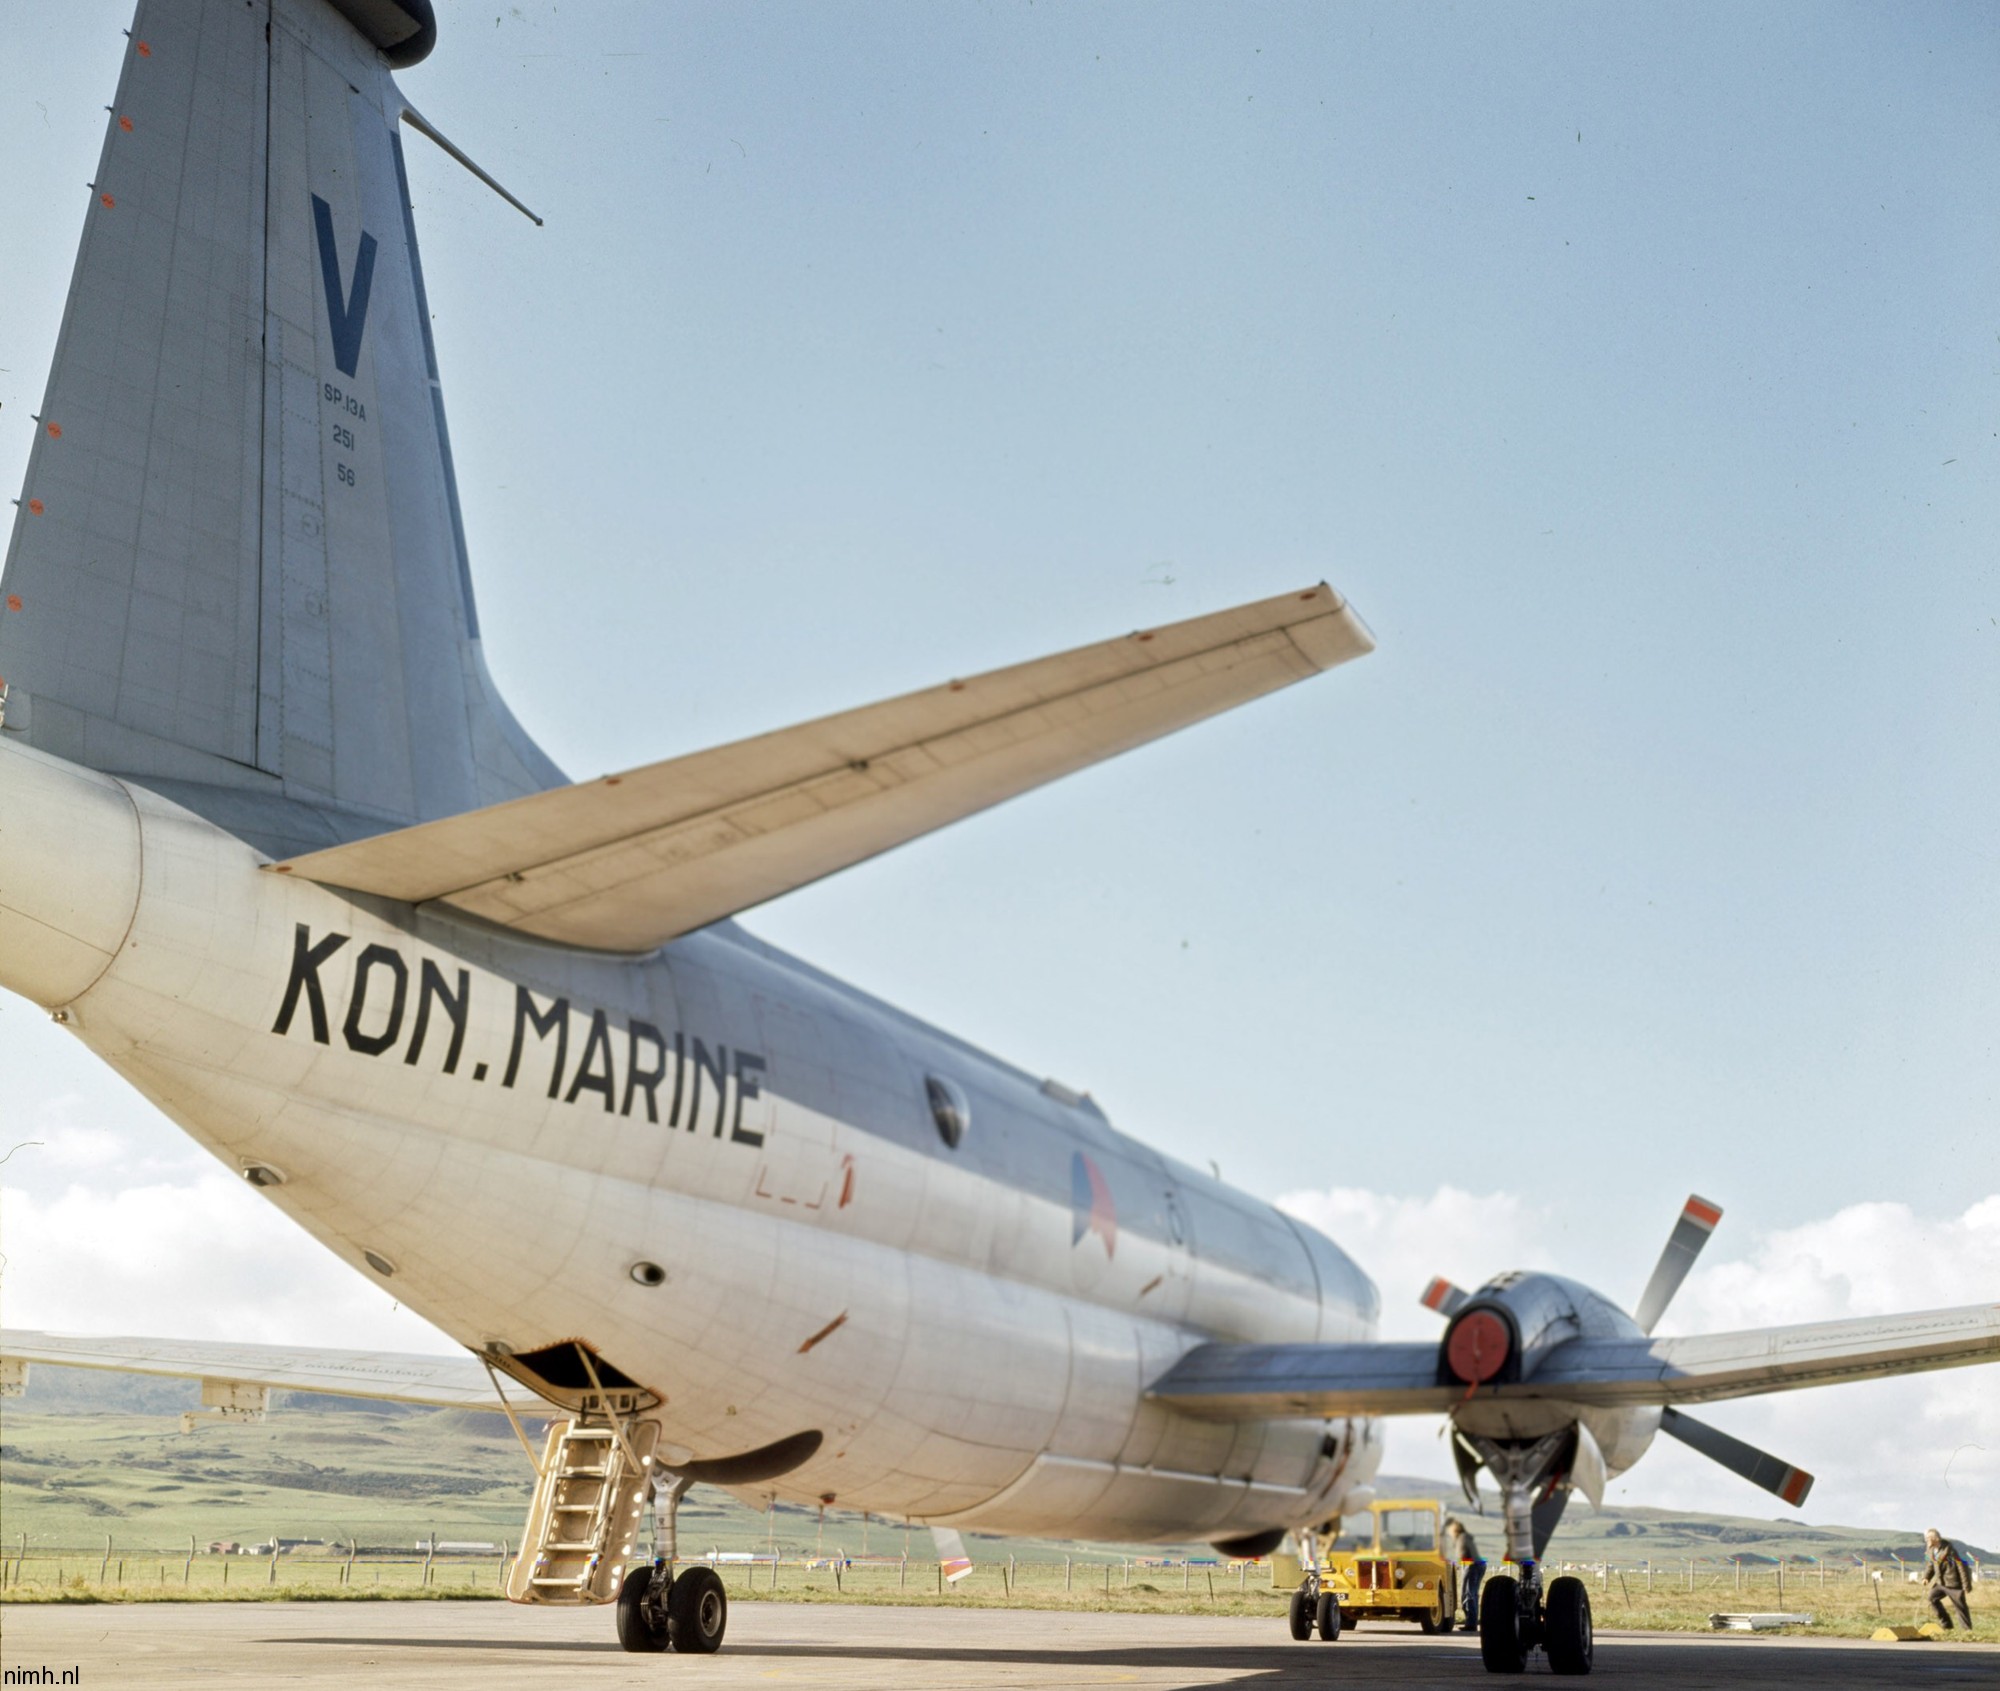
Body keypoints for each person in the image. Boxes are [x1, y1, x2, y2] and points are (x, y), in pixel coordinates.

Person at [1922, 1528, 1974, 1631]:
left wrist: (1966, 1585)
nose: (1926, 1540)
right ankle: (1947, 1625)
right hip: (1940, 1583)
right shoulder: (1930, 1551)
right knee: (1932, 1598)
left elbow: (1961, 1567)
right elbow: (1930, 1565)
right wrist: (1926, 1577)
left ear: (1935, 1538)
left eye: (1928, 1538)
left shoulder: (1950, 1551)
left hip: (1953, 1583)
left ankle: (1967, 1630)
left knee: (1960, 1607)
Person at [1445, 1516, 1486, 1631]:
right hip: (1479, 1565)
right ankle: (1472, 1622)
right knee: (1473, 1594)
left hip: (1471, 1566)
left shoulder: (1461, 1538)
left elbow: (1461, 1555)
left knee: (1467, 1595)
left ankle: (1471, 1624)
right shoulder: (1466, 1537)